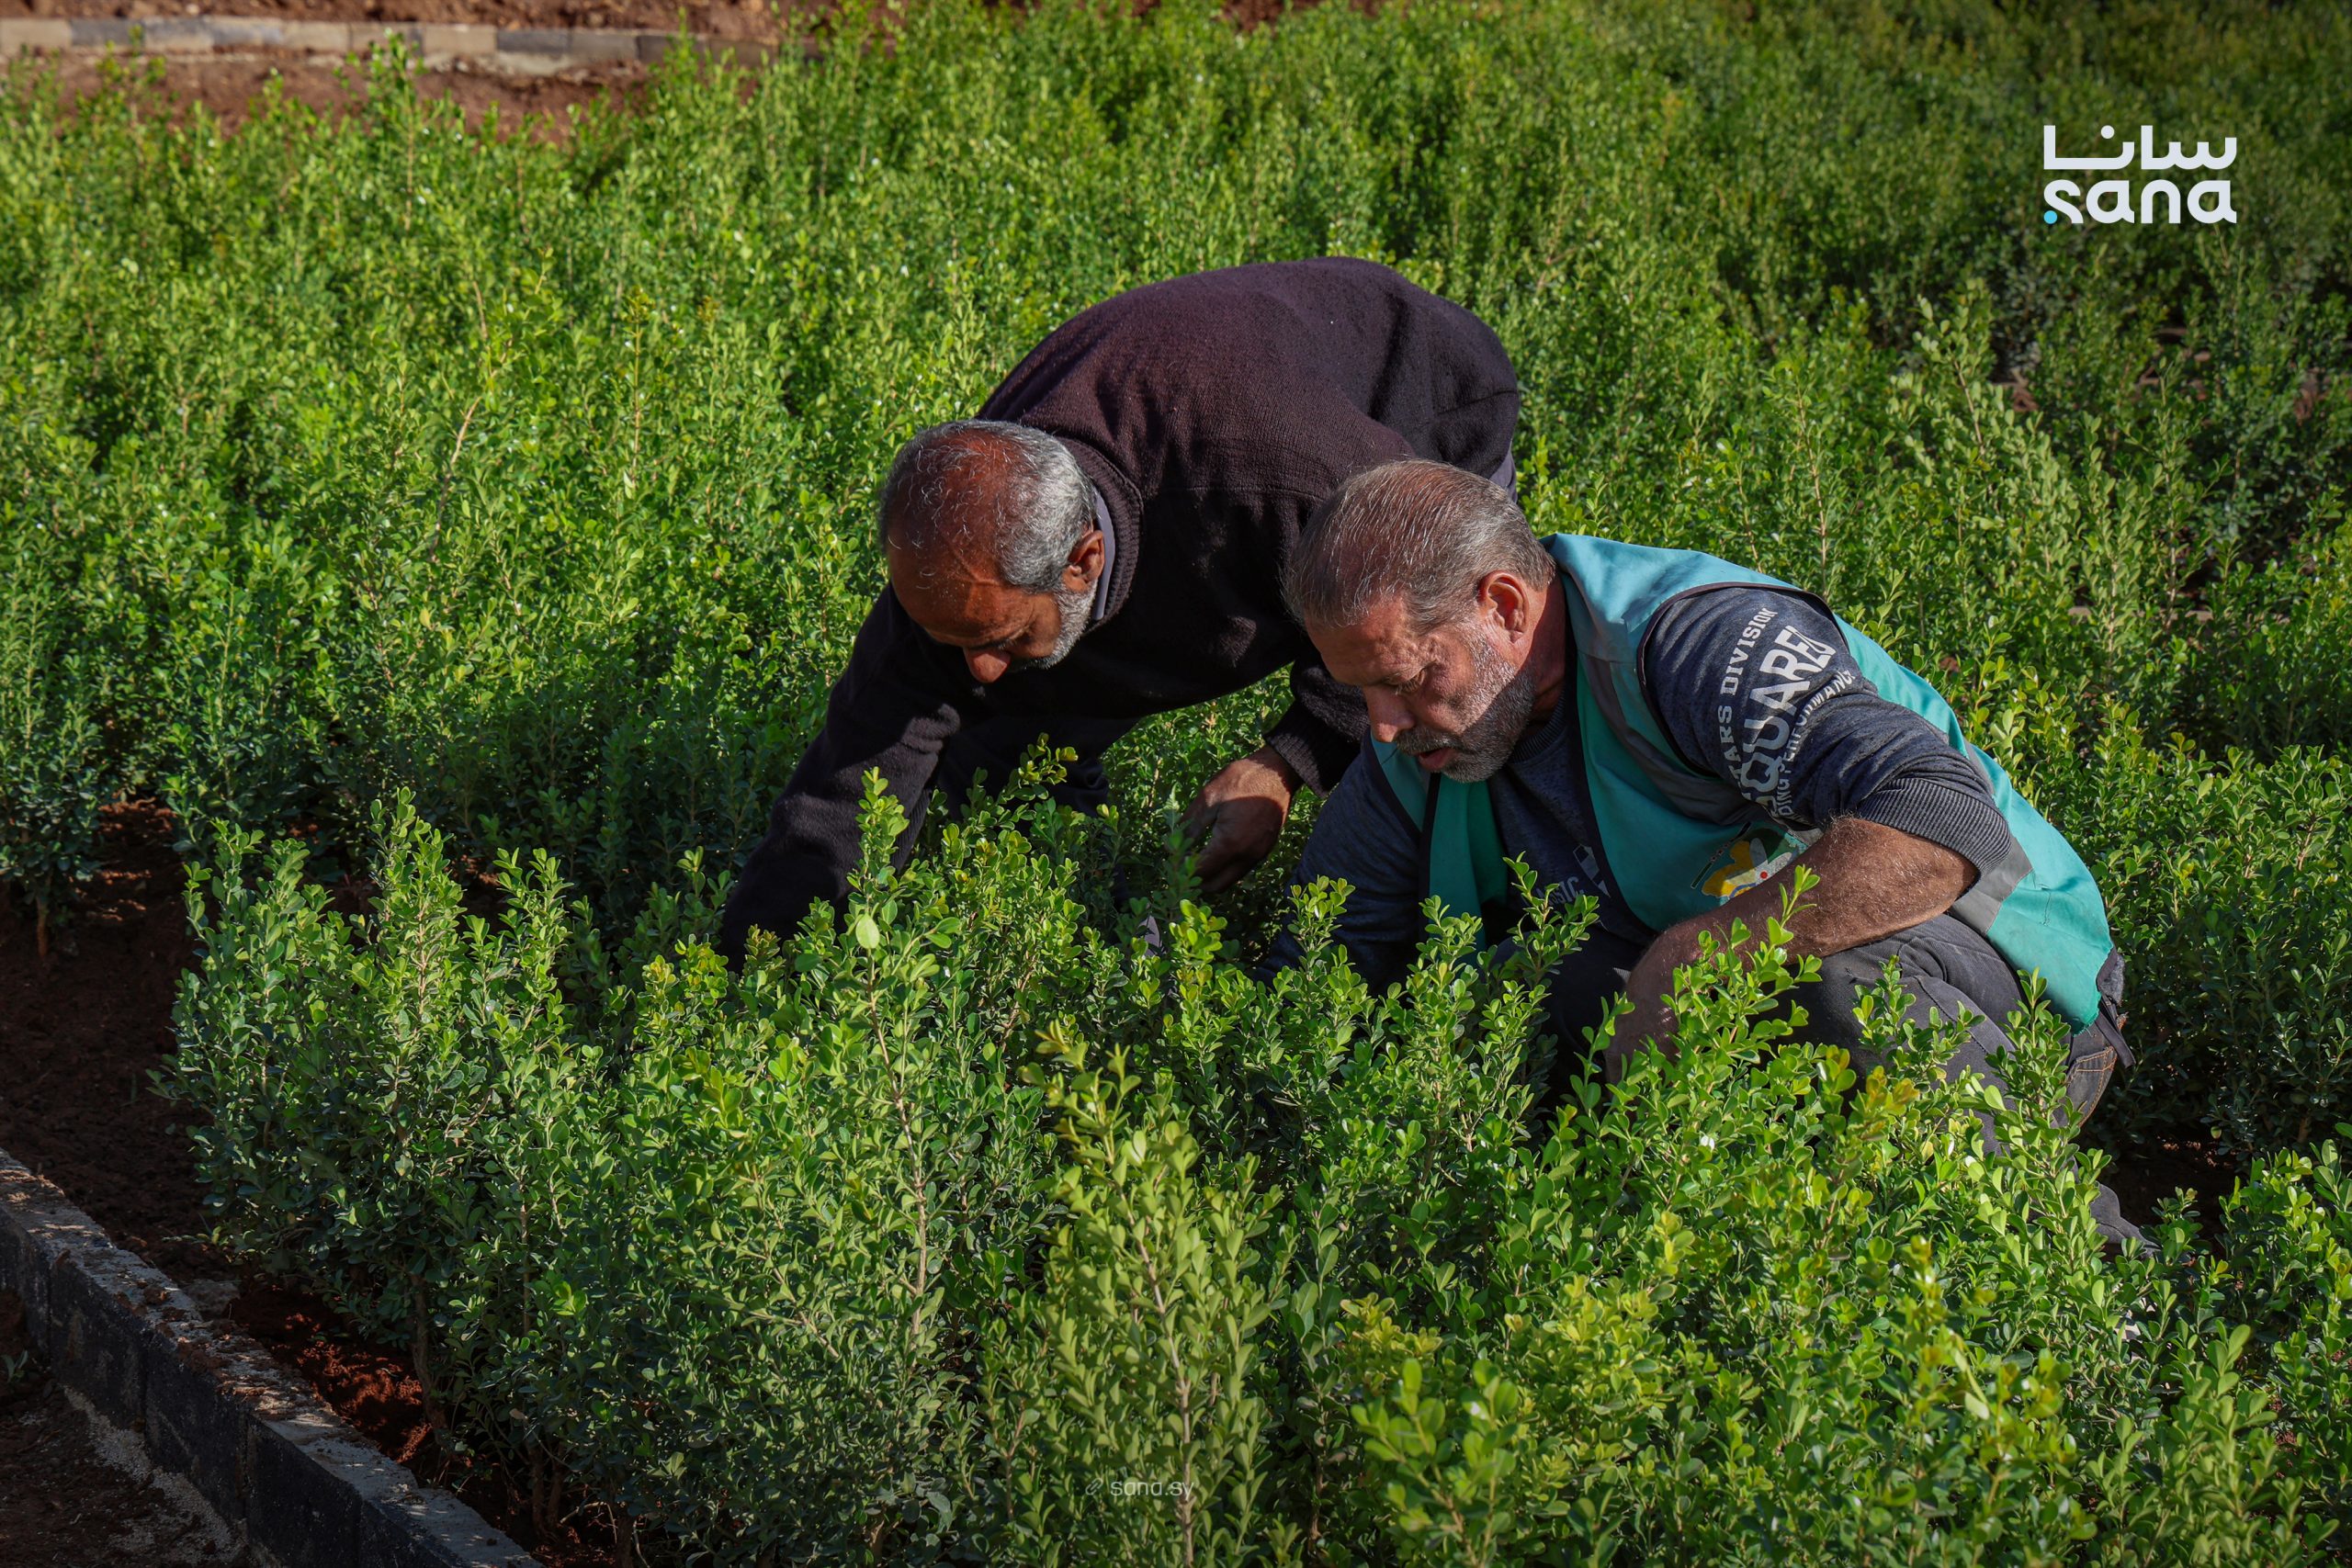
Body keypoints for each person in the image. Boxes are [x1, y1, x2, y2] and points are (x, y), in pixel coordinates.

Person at [1266, 458, 2142, 1240]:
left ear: (1504, 605)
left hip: (2025, 1009)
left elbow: (1940, 818)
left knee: (1825, 975)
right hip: (1751, 1039)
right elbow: (1312, 976)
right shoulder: (1408, 752)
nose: (1383, 725)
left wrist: (1698, 958)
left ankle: (2092, 1277)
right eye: (1362, 691)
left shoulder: (1689, 642)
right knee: (1525, 988)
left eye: (1410, 678)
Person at [718, 259, 1521, 962]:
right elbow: (849, 785)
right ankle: (1094, 913)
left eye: (1001, 638)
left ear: (1085, 561)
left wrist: (1288, 763)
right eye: (957, 640)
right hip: (1218, 466)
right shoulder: (967, 561)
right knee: (987, 771)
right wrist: (756, 970)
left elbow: (1387, 634)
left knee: (1433, 732)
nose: (980, 669)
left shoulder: (1278, 479)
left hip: (1423, 422)